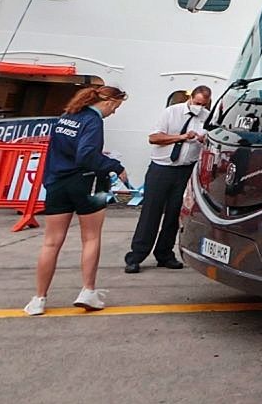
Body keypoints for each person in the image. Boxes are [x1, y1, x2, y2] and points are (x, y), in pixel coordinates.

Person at [25, 85, 131, 316]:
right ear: (109, 102)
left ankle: (39, 298)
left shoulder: (67, 116)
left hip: (58, 181)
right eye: (116, 107)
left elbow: (55, 149)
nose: (114, 112)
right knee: (91, 237)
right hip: (87, 182)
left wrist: (50, 180)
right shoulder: (94, 122)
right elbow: (86, 156)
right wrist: (115, 166)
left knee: (51, 242)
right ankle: (88, 291)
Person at [124, 86, 211, 273]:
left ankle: (164, 253)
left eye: (203, 105)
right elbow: (154, 138)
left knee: (174, 214)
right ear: (190, 99)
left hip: (186, 169)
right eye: (197, 103)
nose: (199, 108)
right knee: (151, 212)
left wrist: (203, 141)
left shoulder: (206, 117)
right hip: (162, 168)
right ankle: (137, 254)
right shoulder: (172, 112)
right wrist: (181, 137)